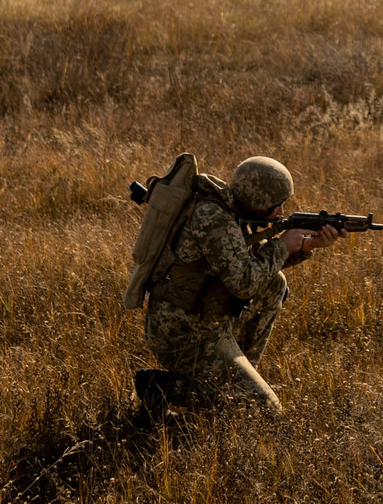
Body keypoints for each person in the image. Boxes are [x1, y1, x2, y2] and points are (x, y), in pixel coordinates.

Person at [134, 156, 345, 414]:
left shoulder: (233, 212)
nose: (280, 212)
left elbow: (255, 266)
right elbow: (244, 283)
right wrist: (281, 245)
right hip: (183, 334)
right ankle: (159, 387)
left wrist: (307, 246)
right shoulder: (213, 219)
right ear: (256, 202)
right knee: (266, 409)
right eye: (275, 205)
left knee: (274, 284)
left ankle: (239, 375)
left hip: (207, 318)